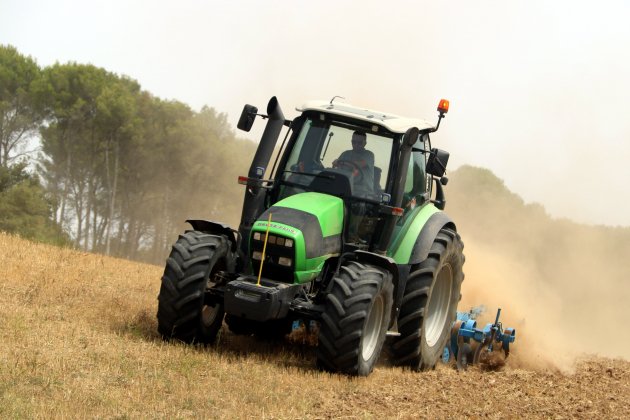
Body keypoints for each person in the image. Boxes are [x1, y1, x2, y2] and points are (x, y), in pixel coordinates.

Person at [332, 131, 375, 197]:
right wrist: (335, 163)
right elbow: (336, 168)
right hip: (344, 188)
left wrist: (341, 162)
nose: (356, 144)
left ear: (365, 143)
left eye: (359, 143)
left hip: (363, 193)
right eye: (354, 142)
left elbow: (359, 164)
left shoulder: (369, 155)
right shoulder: (345, 154)